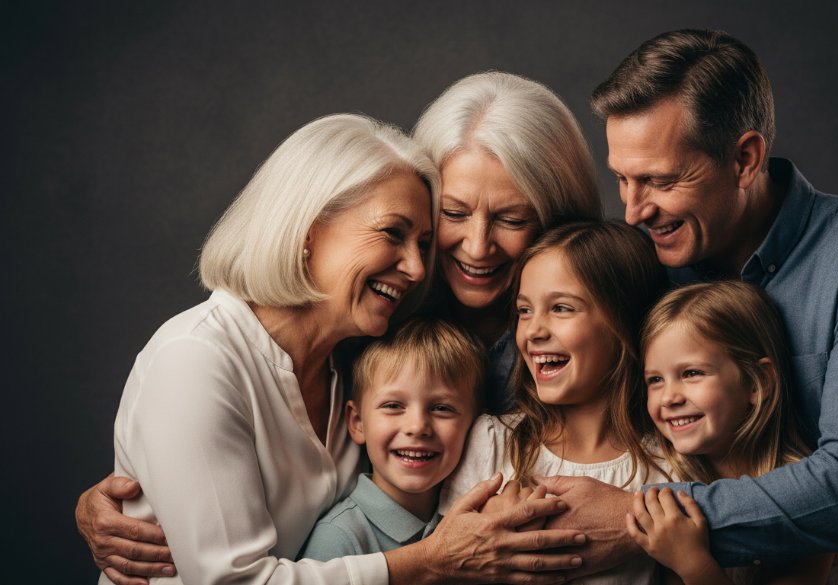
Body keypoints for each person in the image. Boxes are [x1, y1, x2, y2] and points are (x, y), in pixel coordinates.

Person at [75, 71, 604, 583]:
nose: (469, 247)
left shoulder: (357, 342)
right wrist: (433, 562)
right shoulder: (352, 340)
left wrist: (638, 517)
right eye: (450, 216)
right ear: (307, 229)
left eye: (511, 219)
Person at [535, 29, 838, 585]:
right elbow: (542, 355)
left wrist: (636, 517)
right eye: (622, 178)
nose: (634, 210)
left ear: (744, 158)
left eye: (660, 180)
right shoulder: (646, 262)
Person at [440, 220, 671, 584]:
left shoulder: (667, 469)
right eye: (525, 311)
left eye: (561, 308)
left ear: (624, 322)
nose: (534, 331)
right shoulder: (491, 442)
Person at [631, 281, 838, 585]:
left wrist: (693, 564)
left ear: (756, 383)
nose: (669, 397)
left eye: (692, 373)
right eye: (656, 380)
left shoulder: (804, 498)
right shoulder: (666, 476)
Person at [413, 71, 604, 413]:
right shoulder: (386, 320)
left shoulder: (607, 333)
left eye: (511, 220)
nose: (477, 247)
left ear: (558, 218)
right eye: (454, 213)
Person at [301, 317, 485, 560]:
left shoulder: (474, 523)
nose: (418, 427)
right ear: (357, 422)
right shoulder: (338, 540)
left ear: (474, 425)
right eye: (393, 405)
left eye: (441, 408)